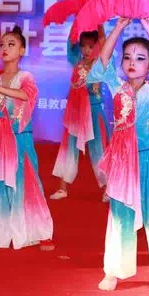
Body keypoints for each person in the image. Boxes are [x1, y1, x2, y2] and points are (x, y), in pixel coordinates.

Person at [90, 17, 149, 296]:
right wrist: (118, 28)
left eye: (141, 58)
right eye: (128, 57)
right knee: (120, 217)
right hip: (123, 164)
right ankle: (113, 271)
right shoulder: (117, 87)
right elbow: (103, 60)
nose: (132, 62)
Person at [0, 26, 53, 249]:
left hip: (18, 139)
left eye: (11, 44)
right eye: (2, 44)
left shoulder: (25, 77)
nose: (5, 48)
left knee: (26, 183)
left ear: (21, 50)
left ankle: (40, 231)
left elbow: (26, 96)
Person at [51, 27, 110, 200]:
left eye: (91, 46)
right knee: (69, 148)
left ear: (97, 47)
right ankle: (62, 188)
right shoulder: (77, 60)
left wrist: (99, 23)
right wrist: (77, 22)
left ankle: (108, 190)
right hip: (76, 112)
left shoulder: (100, 64)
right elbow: (70, 42)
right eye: (83, 46)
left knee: (99, 150)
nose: (86, 50)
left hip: (93, 112)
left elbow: (104, 41)